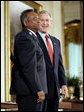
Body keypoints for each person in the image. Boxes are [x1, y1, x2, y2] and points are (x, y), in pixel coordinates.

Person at [10, 9, 48, 111]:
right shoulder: (25, 38)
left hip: (33, 92)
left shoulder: (32, 37)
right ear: (26, 23)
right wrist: (38, 89)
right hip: (30, 92)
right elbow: (28, 67)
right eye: (35, 18)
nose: (39, 21)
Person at [36, 10, 68, 111]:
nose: (45, 23)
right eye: (42, 20)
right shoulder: (33, 39)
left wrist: (63, 84)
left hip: (54, 91)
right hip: (40, 90)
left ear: (51, 22)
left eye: (47, 20)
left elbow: (59, 65)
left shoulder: (56, 41)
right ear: (37, 22)